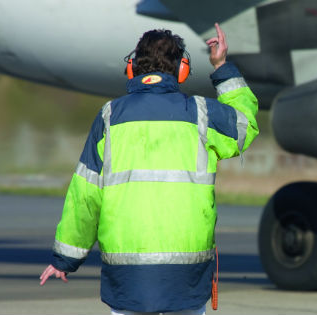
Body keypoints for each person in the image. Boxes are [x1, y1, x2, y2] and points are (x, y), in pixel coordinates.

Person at [39, 23, 258, 315]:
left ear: (132, 67)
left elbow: (85, 196)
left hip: (128, 277)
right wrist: (222, 67)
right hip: (187, 277)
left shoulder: (109, 117)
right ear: (181, 69)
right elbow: (245, 124)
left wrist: (64, 259)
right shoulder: (201, 115)